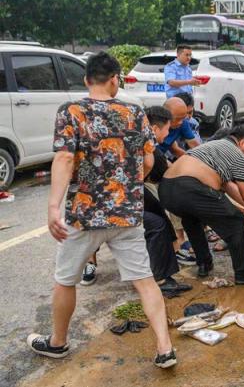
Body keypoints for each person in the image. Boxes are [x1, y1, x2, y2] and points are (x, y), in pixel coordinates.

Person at [28, 52, 176, 369]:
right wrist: (129, 185)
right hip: (127, 214)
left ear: (86, 80)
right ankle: (165, 348)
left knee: (65, 280)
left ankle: (57, 343)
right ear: (114, 80)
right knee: (145, 281)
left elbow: (64, 158)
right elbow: (149, 160)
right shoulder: (135, 113)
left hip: (85, 214)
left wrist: (53, 206)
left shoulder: (71, 111)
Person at [78, 106, 193, 297]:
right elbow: (151, 168)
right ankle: (158, 278)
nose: (168, 134)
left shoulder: (131, 140)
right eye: (167, 129)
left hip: (116, 197)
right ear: (154, 129)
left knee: (158, 214)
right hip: (106, 204)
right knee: (155, 224)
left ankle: (164, 268)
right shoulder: (141, 145)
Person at [158, 124, 244, 285]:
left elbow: (226, 187)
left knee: (192, 219)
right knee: (236, 221)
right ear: (243, 143)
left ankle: (204, 263)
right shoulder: (237, 154)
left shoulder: (212, 147)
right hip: (190, 187)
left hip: (166, 190)